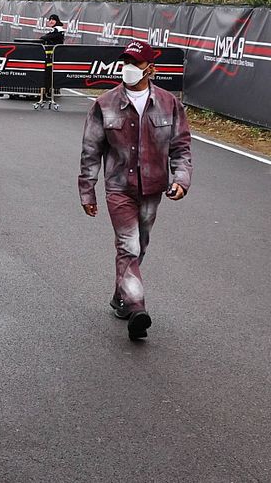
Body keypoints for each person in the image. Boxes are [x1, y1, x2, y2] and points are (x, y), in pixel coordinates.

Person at [78, 40, 192, 341]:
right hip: (119, 187)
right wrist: (87, 190)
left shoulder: (170, 104)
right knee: (127, 246)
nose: (127, 68)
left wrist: (181, 178)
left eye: (135, 63)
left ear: (150, 69)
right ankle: (137, 308)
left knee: (139, 246)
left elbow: (181, 147)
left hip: (154, 187)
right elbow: (91, 151)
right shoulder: (104, 104)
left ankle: (120, 297)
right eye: (125, 62)